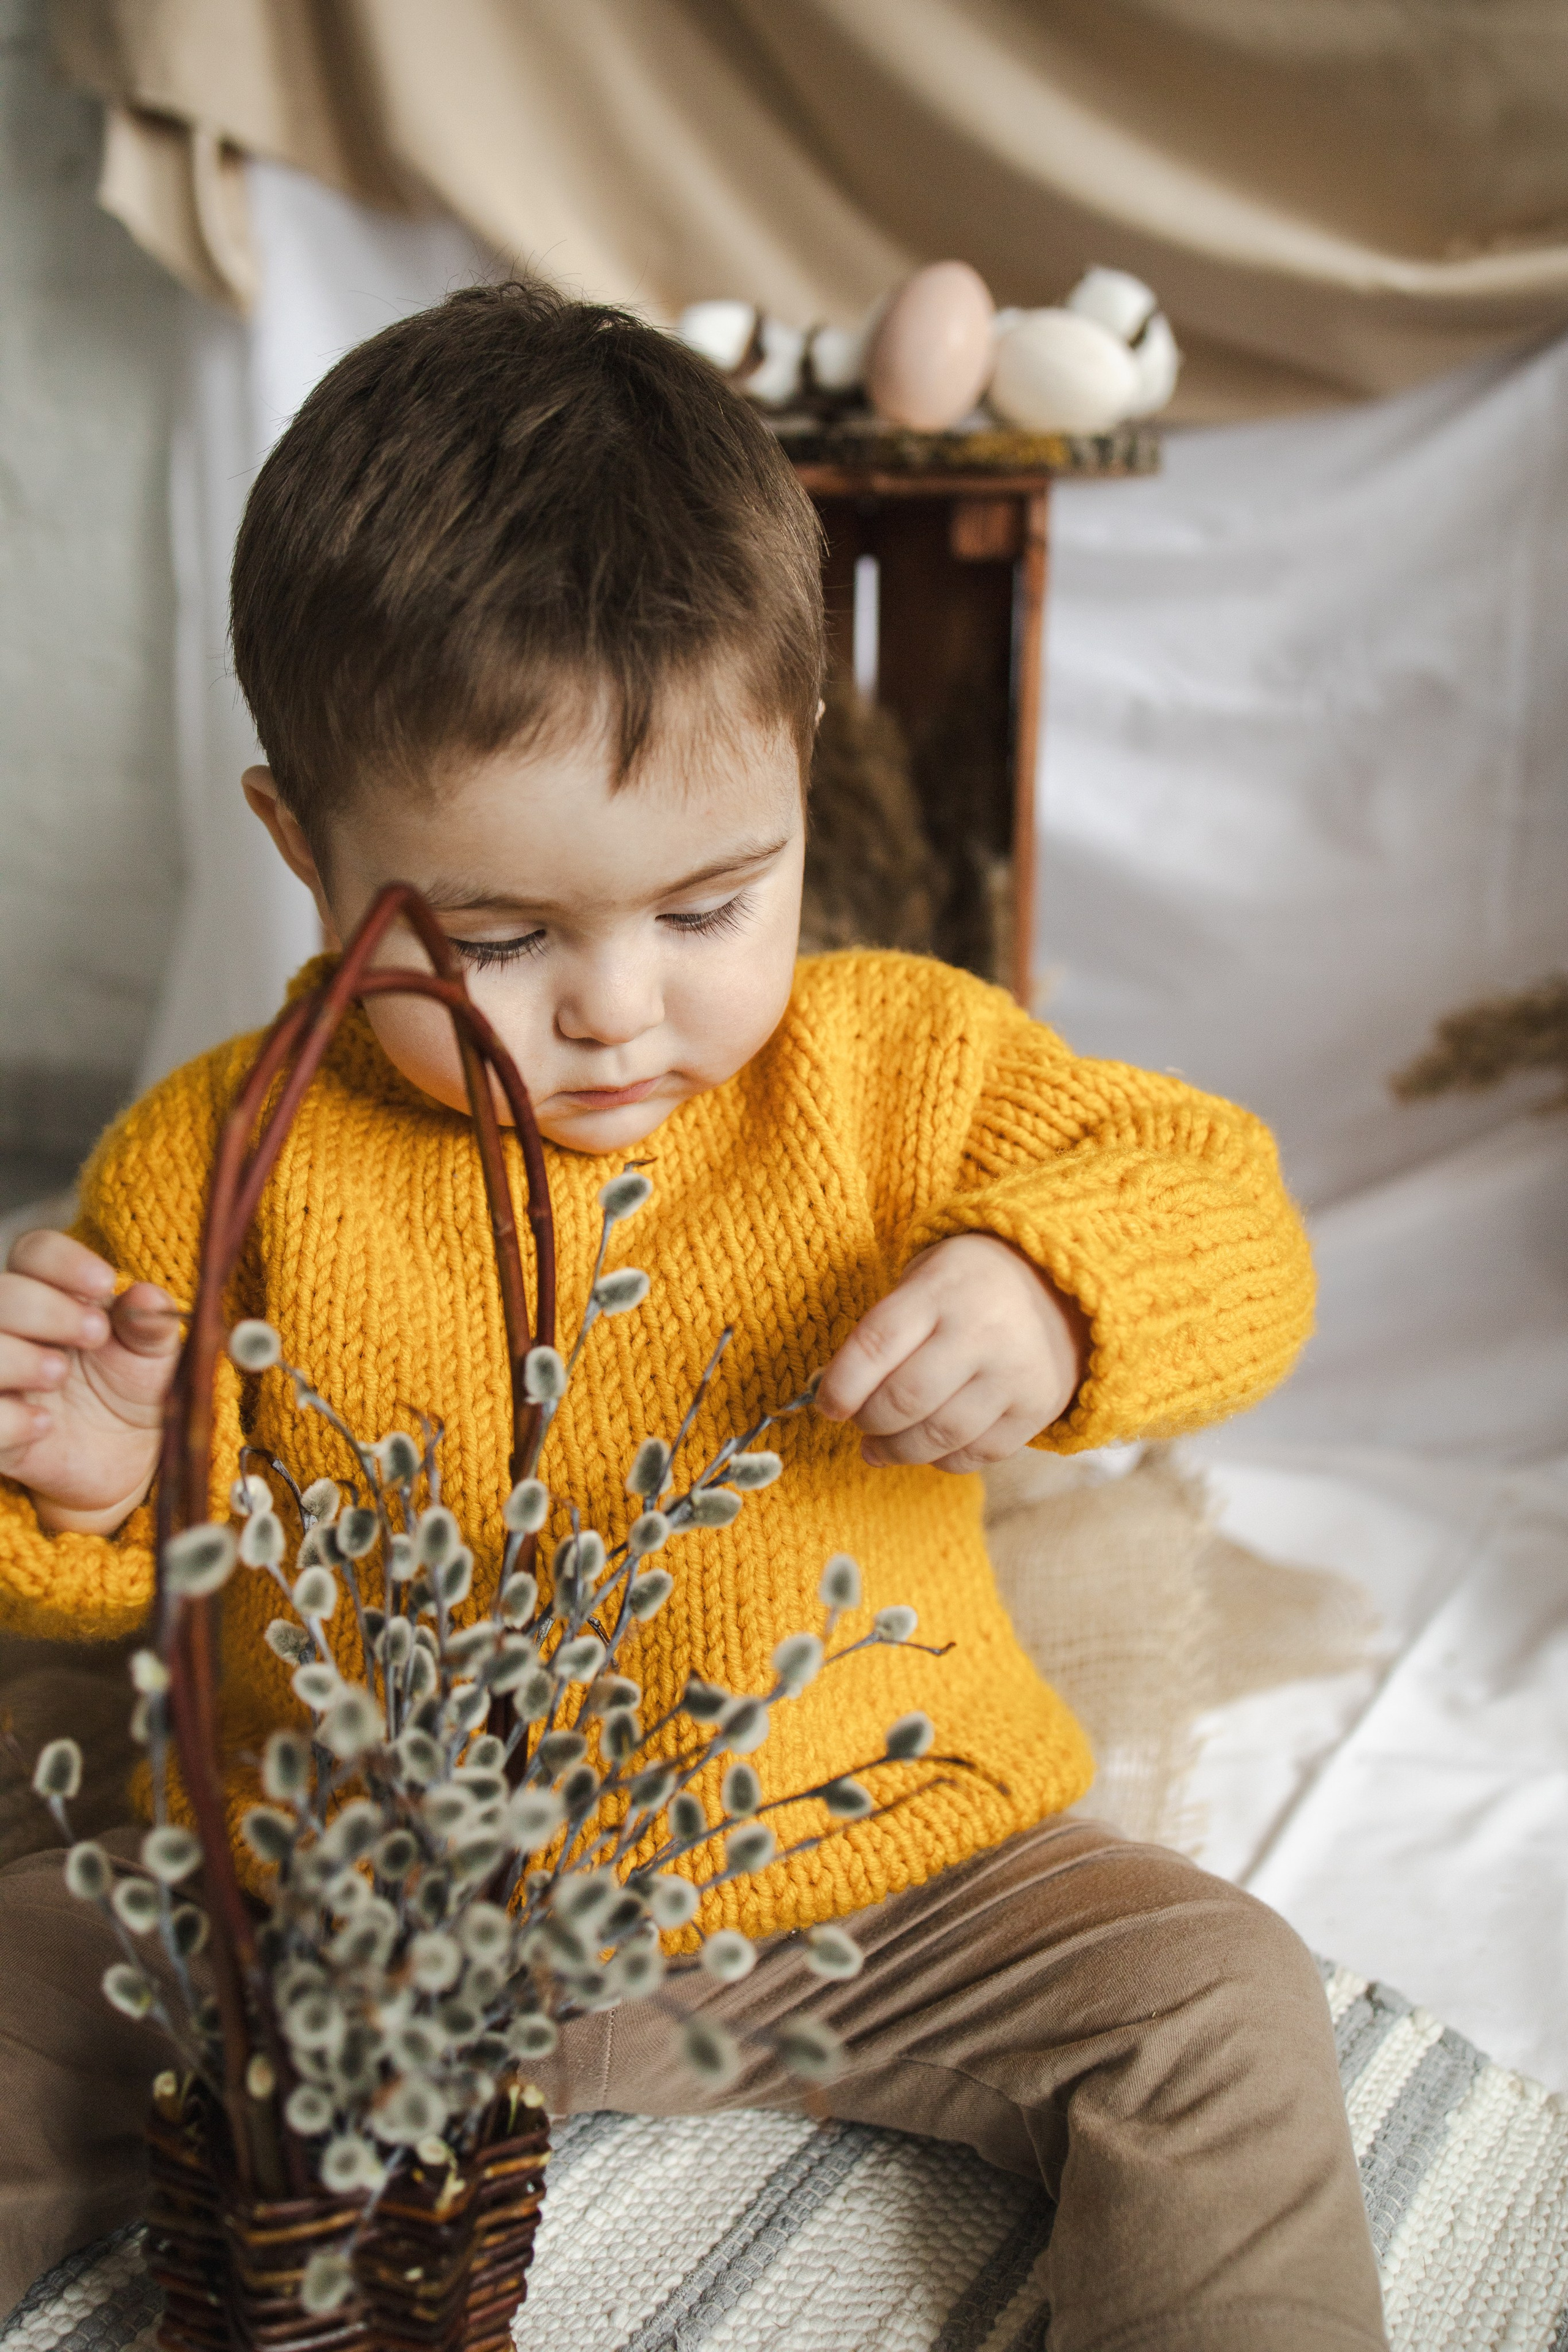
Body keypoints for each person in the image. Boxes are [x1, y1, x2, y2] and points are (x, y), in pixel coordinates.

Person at [0, 281, 1385, 2348]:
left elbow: (1231, 1212)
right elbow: (133, 1594)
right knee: (26, 1976)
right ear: (303, 848)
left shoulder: (897, 1067)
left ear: (803, 782)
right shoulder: (222, 1159)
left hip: (874, 1877)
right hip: (347, 1920)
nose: (618, 1007)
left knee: (1222, 2003)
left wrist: (1050, 1292)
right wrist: (101, 1479)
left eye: (709, 904)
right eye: (493, 936)